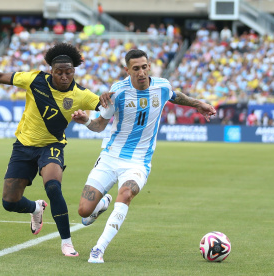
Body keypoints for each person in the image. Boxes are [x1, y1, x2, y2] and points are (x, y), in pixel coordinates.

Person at [0, 43, 103, 257]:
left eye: (69, 72)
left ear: (74, 71)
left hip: (52, 146)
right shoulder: (34, 80)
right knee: (9, 202)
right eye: (59, 72)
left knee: (54, 188)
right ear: (51, 71)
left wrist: (97, 111)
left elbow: (106, 112)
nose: (64, 76)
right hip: (23, 146)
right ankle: (35, 208)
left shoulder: (82, 95)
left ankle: (66, 242)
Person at [71, 49, 216, 263]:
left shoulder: (162, 86)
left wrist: (200, 104)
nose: (141, 72)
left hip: (139, 161)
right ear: (127, 70)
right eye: (136, 68)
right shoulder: (117, 92)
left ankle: (98, 249)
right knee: (83, 211)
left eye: (144, 66)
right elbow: (99, 126)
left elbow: (175, 96)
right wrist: (84, 120)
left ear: (149, 66)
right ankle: (100, 206)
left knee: (126, 194)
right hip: (111, 157)